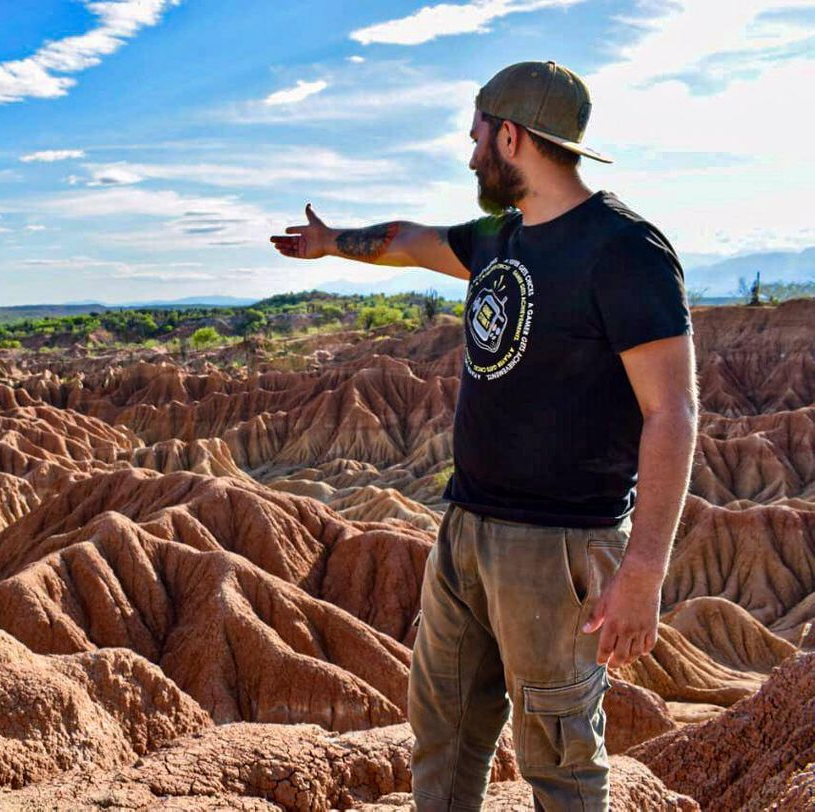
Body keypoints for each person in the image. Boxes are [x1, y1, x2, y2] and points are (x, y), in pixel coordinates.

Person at [270, 60, 697, 810]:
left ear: (510, 137)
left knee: (559, 761)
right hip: (466, 529)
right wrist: (331, 241)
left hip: (560, 545)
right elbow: (408, 239)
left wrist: (644, 572)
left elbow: (673, 413)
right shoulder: (501, 237)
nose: (470, 157)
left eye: (476, 140)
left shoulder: (624, 250)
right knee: (443, 734)